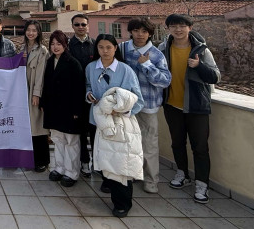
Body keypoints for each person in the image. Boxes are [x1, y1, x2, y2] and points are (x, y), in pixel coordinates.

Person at [158, 14, 220, 204]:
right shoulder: (163, 48)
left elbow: (216, 77)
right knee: (177, 142)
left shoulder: (201, 51)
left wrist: (199, 65)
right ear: (168, 28)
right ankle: (182, 174)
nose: (178, 29)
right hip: (172, 105)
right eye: (174, 26)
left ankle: (202, 184)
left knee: (200, 147)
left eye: (182, 26)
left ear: (190, 28)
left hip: (196, 106)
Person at [85, 34, 144, 218]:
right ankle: (107, 182)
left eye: (108, 47)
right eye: (101, 47)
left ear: (115, 48)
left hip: (120, 124)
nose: (104, 51)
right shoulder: (90, 68)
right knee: (103, 157)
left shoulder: (125, 70)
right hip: (98, 122)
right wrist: (89, 95)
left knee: (121, 164)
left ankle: (122, 203)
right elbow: (88, 86)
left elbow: (138, 100)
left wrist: (120, 110)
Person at [120, 18, 171, 194]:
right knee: (129, 143)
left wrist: (147, 65)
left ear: (149, 33)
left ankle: (151, 180)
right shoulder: (123, 49)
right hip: (126, 106)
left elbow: (165, 81)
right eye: (136, 31)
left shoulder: (156, 55)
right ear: (131, 32)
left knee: (149, 144)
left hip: (147, 106)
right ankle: (134, 173)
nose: (140, 35)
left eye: (144, 31)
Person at [40, 29, 88, 186]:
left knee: (71, 141)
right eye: (52, 44)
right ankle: (59, 168)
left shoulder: (73, 63)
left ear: (65, 45)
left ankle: (71, 172)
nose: (55, 47)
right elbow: (46, 86)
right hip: (54, 109)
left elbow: (79, 90)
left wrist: (76, 111)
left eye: (58, 44)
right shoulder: (49, 62)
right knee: (58, 139)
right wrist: (44, 104)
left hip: (69, 110)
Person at [19, 20, 49, 172]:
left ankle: (42, 160)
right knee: (26, 127)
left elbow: (41, 75)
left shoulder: (42, 50)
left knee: (37, 127)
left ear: (38, 33)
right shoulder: (22, 48)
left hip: (33, 92)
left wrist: (37, 94)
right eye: (28, 30)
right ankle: (29, 159)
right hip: (21, 90)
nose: (31, 33)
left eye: (34, 30)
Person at [68, 13, 96, 178]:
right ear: (73, 27)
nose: (80, 27)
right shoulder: (68, 46)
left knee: (95, 131)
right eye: (77, 24)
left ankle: (97, 163)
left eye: (83, 24)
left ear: (88, 26)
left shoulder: (95, 45)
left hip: (95, 95)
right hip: (76, 94)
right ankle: (84, 161)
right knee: (80, 131)